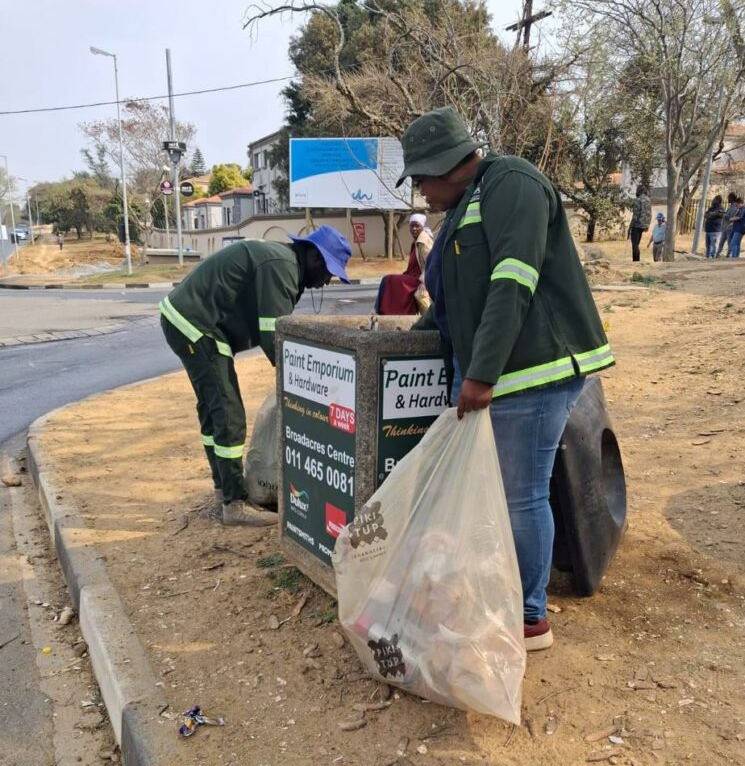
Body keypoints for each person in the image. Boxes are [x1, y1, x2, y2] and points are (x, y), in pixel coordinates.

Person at [397, 106, 614, 652]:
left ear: (446, 165)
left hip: (529, 373)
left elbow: (513, 280)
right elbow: (457, 299)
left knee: (519, 496)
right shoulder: (466, 206)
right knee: (498, 494)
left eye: (421, 179)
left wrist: (479, 373)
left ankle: (528, 617)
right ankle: (499, 593)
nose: (420, 193)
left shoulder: (512, 183)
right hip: (498, 376)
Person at [159, 227, 352, 527]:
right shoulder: (282, 267)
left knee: (213, 411)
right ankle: (234, 505)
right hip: (198, 324)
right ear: (314, 256)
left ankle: (224, 488)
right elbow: (276, 338)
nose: (327, 280)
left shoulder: (286, 264)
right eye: (329, 271)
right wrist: (306, 388)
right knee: (227, 412)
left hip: (193, 321)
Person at [375, 213, 434, 314]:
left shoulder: (424, 242)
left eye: (417, 225)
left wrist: (424, 282)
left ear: (422, 227)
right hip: (413, 276)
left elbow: (430, 263)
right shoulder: (417, 240)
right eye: (412, 226)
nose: (414, 229)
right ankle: (382, 311)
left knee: (389, 280)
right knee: (388, 280)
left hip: (420, 279)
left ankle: (385, 311)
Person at [628, 185, 651, 262]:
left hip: (637, 225)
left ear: (638, 191)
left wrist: (630, 226)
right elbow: (649, 214)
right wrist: (647, 225)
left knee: (635, 244)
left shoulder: (638, 200)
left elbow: (636, 215)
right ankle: (637, 260)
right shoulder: (648, 200)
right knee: (637, 244)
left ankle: (636, 260)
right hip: (644, 225)